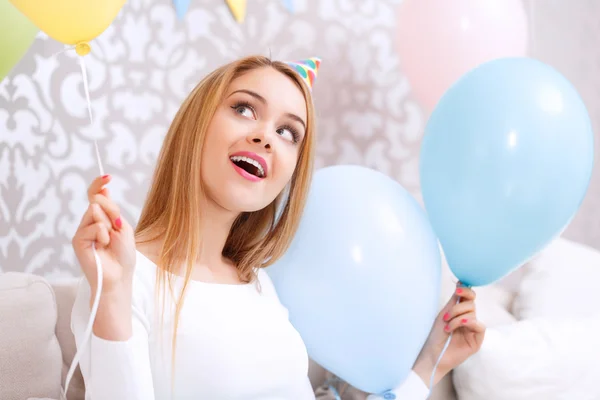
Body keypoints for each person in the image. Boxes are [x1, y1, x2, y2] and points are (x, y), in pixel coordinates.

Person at [70, 55, 485, 400]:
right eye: (244, 108)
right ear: (196, 124)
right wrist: (111, 295)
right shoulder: (123, 277)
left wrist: (432, 363)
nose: (267, 137)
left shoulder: (259, 284)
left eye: (288, 132)